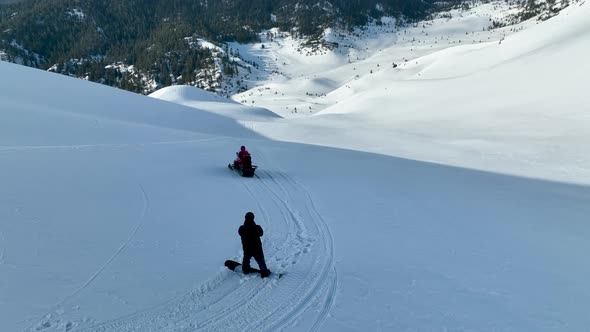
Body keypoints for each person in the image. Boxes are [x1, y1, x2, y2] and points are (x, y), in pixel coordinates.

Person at [238, 212, 270, 278]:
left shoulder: (241, 228)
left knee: (246, 258)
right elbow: (261, 233)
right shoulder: (257, 227)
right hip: (257, 248)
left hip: (246, 248)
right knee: (260, 260)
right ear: (253, 218)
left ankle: (245, 269)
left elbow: (240, 233)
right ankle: (264, 272)